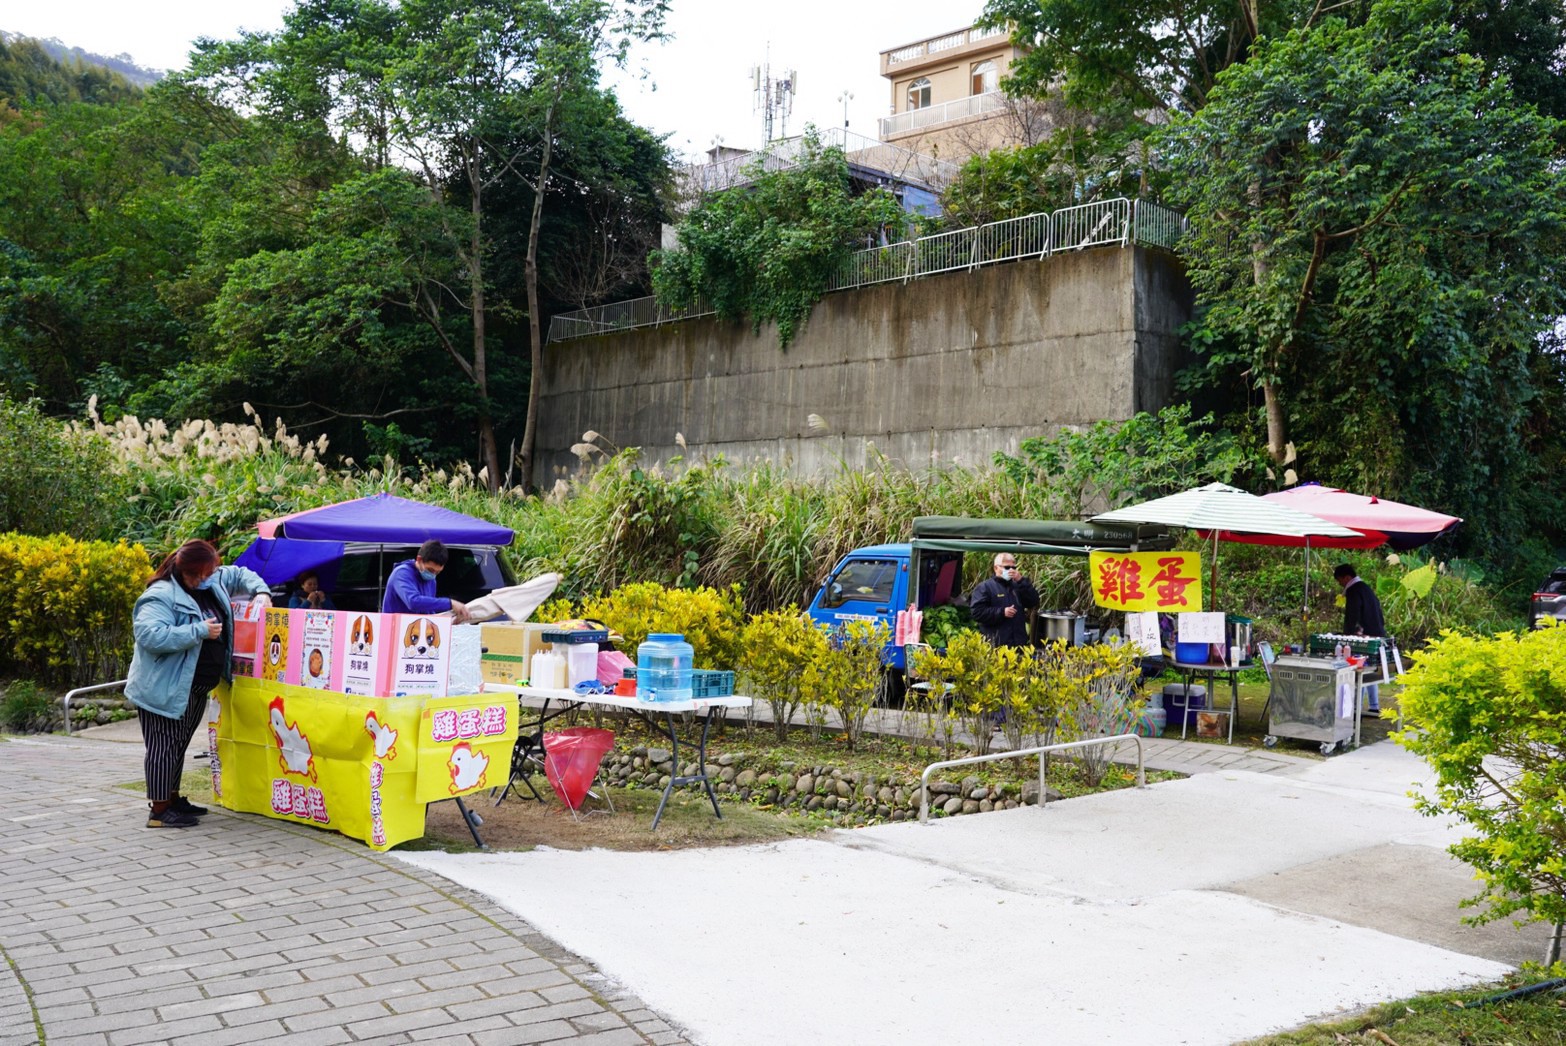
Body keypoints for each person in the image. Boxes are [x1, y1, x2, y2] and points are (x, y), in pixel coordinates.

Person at [126, 540, 272, 828]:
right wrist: (198, 630)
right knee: (162, 747)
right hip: (162, 687)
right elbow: (150, 635)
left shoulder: (211, 580)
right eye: (199, 575)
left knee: (178, 744)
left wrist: (262, 592)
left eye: (209, 573)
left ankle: (173, 798)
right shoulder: (160, 595)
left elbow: (240, 574)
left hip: (194, 687)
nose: (204, 579)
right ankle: (159, 810)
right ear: (184, 569)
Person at [1333, 562, 1386, 714]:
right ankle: (1374, 705)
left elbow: (1353, 614)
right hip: (1377, 632)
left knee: (1359, 670)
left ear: (1347, 577)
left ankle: (1355, 707)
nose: (1340, 584)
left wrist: (1348, 634)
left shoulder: (1354, 590)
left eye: (1340, 580)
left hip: (1364, 636)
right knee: (1370, 670)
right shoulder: (1366, 588)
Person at [381, 539, 470, 622]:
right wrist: (450, 603)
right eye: (430, 570)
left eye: (437, 572)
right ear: (419, 559)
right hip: (394, 630)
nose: (433, 575)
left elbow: (428, 611)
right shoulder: (401, 573)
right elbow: (413, 602)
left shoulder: (431, 580)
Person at [969, 552, 1040, 648]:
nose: (1011, 570)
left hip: (1018, 645)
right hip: (996, 645)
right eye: (1007, 567)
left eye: (1013, 568)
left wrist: (1021, 581)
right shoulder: (985, 587)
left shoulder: (1017, 586)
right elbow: (977, 612)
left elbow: (1033, 601)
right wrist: (1002, 612)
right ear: (996, 568)